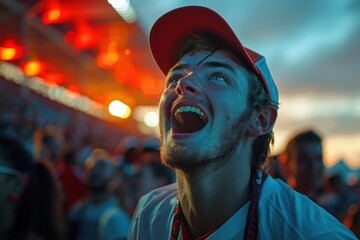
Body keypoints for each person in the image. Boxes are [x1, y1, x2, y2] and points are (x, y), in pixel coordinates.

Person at [128, 6, 356, 240]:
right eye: (175, 76)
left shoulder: (312, 233)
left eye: (218, 76)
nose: (183, 84)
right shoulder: (149, 215)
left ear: (259, 120)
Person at [67, 156, 130, 240]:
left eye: (101, 168)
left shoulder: (117, 214)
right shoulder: (77, 213)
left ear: (112, 175)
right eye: (92, 169)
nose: (95, 172)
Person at [278, 129, 325, 202]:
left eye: (319, 159)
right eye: (304, 160)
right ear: (286, 164)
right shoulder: (280, 205)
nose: (314, 167)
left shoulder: (326, 208)